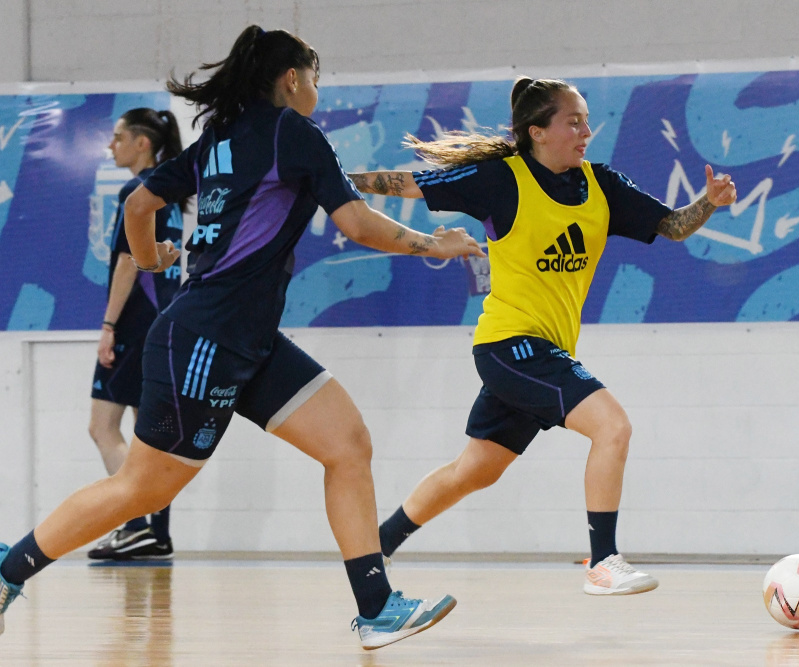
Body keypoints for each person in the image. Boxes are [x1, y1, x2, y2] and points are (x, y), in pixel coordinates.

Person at [0, 26, 484, 649]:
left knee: (347, 444)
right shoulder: (294, 133)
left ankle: (376, 607)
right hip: (207, 336)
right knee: (142, 489)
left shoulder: (217, 140)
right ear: (291, 79)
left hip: (247, 338)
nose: (315, 88)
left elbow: (138, 208)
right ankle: (9, 571)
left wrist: (149, 261)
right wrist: (433, 243)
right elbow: (357, 223)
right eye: (313, 76)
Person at [348, 77, 737, 596]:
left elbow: (671, 226)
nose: (585, 131)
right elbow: (408, 184)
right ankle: (603, 562)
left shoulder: (601, 185)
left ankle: (377, 545)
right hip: (510, 344)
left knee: (475, 471)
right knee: (612, 427)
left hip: (542, 351)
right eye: (573, 121)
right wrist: (326, 179)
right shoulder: (500, 180)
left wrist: (707, 202)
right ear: (537, 131)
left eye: (586, 121)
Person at [88, 108, 185, 561]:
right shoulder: (169, 192)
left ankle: (135, 524)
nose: (112, 145)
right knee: (146, 435)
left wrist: (109, 326)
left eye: (118, 136)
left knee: (102, 425)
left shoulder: (138, 191)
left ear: (142, 143)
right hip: (162, 322)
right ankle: (155, 532)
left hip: (136, 324)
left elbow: (129, 262)